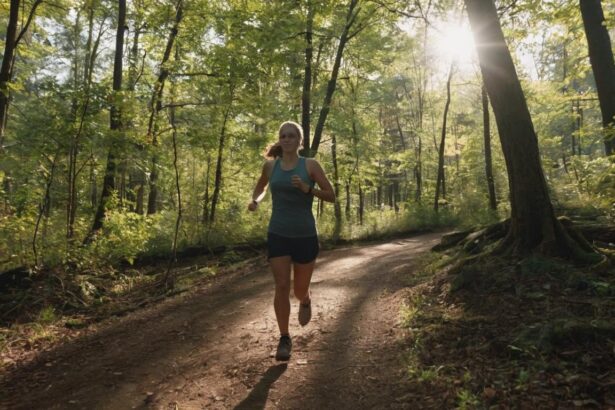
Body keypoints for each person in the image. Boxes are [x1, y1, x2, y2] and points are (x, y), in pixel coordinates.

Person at [248, 121, 335, 361]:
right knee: (282, 286)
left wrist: (308, 189)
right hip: (278, 233)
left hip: (305, 235)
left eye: (291, 136)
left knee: (298, 291)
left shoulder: (310, 165)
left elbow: (332, 196)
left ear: (299, 141)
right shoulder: (270, 166)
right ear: (280, 140)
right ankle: (284, 337)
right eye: (283, 136)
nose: (286, 139)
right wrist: (255, 201)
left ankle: (306, 299)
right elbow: (261, 189)